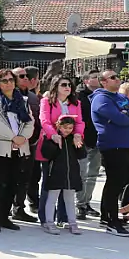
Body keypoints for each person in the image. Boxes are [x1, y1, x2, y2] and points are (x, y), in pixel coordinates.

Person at [91, 71, 129, 236]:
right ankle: (111, 220)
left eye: (117, 76)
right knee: (114, 182)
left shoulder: (121, 98)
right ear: (103, 82)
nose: (117, 79)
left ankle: (107, 216)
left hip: (127, 146)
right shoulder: (101, 98)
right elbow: (119, 119)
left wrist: (127, 112)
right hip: (113, 146)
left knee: (124, 180)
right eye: (113, 77)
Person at [0, 68, 35, 233]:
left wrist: (22, 138)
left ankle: (5, 218)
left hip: (20, 147)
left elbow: (30, 122)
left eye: (11, 80)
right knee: (1, 183)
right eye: (5, 80)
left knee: (14, 184)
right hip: (1, 147)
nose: (9, 83)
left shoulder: (24, 100)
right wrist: (13, 138)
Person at [35, 75, 84, 226]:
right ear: (55, 86)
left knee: (67, 183)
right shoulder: (47, 101)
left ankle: (63, 218)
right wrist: (53, 135)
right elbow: (44, 120)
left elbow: (80, 122)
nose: (67, 87)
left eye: (69, 85)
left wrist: (77, 133)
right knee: (49, 182)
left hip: (69, 147)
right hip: (52, 145)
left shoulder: (76, 103)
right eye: (63, 84)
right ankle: (46, 218)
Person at [39, 115, 85, 235]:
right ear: (58, 126)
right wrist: (54, 143)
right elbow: (46, 154)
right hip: (56, 173)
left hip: (71, 174)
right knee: (52, 198)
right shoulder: (51, 138)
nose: (67, 130)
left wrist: (79, 144)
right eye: (65, 128)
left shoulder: (73, 139)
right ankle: (49, 222)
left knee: (70, 199)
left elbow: (82, 155)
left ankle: (72, 223)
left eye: (70, 128)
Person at [10, 66, 40, 222]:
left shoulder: (33, 97)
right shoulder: (6, 96)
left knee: (25, 178)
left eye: (27, 76)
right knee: (10, 177)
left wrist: (33, 139)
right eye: (21, 76)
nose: (26, 78)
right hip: (12, 144)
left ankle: (19, 208)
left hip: (30, 143)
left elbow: (37, 120)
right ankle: (7, 207)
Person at [76, 69, 102, 219]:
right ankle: (79, 204)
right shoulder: (79, 96)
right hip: (83, 139)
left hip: (98, 139)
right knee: (82, 173)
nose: (97, 79)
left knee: (93, 174)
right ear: (86, 80)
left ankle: (86, 203)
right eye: (94, 77)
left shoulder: (102, 95)